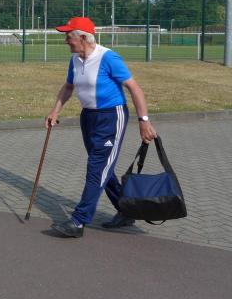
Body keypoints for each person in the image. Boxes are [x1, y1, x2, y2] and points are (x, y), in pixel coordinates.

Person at [45, 16, 157, 238]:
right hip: (88, 117)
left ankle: (78, 221)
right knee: (104, 167)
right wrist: (55, 111)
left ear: (83, 38)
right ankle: (126, 210)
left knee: (96, 168)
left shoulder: (108, 58)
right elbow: (68, 87)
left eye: (68, 36)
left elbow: (134, 88)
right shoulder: (75, 59)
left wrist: (144, 121)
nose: (66, 41)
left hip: (111, 117)